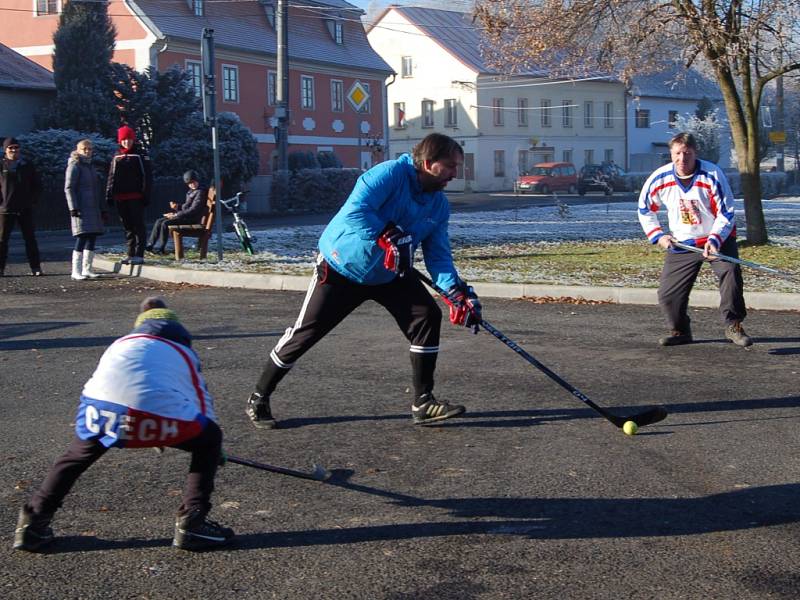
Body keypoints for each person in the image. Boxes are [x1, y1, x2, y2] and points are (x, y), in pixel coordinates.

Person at [246, 132, 481, 429]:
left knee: (427, 316)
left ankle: (423, 402)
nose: (454, 174)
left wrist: (455, 292)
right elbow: (355, 211)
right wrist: (385, 232)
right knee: (306, 333)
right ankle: (259, 396)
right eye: (449, 166)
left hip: (390, 271)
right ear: (427, 161)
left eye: (456, 167)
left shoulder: (438, 205)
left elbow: (438, 257)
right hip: (342, 268)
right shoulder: (390, 173)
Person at [13, 297, 234, 552]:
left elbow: (102, 382)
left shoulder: (121, 344)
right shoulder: (184, 352)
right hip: (155, 413)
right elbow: (200, 402)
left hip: (98, 406)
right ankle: (192, 524)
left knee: (77, 455)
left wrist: (133, 426)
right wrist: (212, 448)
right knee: (209, 439)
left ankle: (32, 523)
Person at [638, 132, 752, 347]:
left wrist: (715, 239)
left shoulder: (712, 175)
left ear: (695, 153)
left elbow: (726, 212)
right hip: (683, 243)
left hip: (716, 239)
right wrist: (659, 235)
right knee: (667, 294)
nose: (682, 159)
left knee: (730, 273)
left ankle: (733, 324)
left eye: (687, 154)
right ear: (671, 154)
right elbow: (645, 209)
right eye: (677, 154)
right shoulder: (660, 178)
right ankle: (680, 330)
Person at [106, 125, 152, 265]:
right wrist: (109, 194)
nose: (127, 142)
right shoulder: (117, 156)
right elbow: (111, 176)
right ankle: (130, 253)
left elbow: (147, 176)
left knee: (138, 225)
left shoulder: (139, 155)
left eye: (129, 139)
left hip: (136, 196)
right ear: (120, 141)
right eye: (124, 140)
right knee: (127, 227)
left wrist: (145, 194)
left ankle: (139, 254)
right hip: (121, 197)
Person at [0, 137, 43, 276]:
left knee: (30, 238)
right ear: (5, 149)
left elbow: (37, 185)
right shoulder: (1, 165)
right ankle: (1, 268)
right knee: (2, 240)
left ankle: (35, 267)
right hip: (5, 209)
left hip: (25, 208)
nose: (14, 150)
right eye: (10, 148)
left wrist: (32, 200)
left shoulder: (26, 164)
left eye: (16, 147)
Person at [65, 139, 106, 280]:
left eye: (89, 149)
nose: (87, 151)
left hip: (93, 207)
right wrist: (73, 207)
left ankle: (87, 269)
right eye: (84, 149)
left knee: (92, 237)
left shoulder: (91, 166)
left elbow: (96, 189)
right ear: (78, 150)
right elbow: (69, 188)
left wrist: (101, 208)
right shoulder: (74, 165)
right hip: (81, 207)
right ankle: (75, 271)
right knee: (81, 237)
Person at [146, 170, 207, 255]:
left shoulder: (200, 192)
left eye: (193, 182)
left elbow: (194, 210)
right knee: (159, 221)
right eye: (189, 183)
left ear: (197, 180)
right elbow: (187, 207)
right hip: (186, 216)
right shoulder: (192, 191)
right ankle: (150, 245)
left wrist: (176, 214)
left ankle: (161, 248)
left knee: (165, 223)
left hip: (191, 219)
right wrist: (177, 207)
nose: (192, 185)